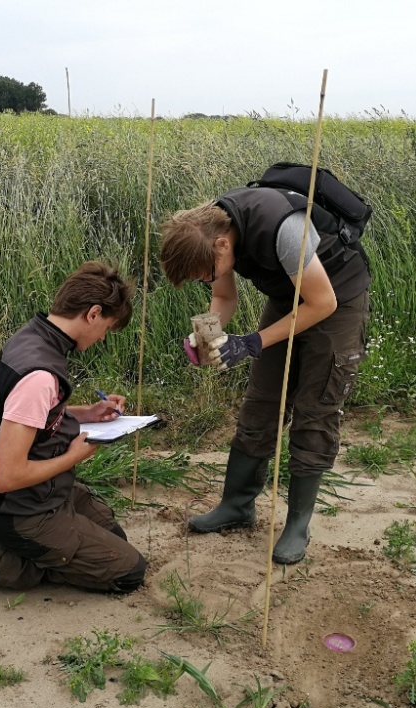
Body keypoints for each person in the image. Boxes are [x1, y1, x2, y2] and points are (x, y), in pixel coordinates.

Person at [159, 178, 370, 564]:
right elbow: (223, 297)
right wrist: (206, 334)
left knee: (315, 410)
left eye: (205, 273)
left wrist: (252, 343)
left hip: (335, 299)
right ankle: (237, 506)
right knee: (261, 402)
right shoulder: (211, 233)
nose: (206, 279)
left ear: (223, 245)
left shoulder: (283, 231)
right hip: (287, 296)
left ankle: (297, 525)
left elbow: (322, 303)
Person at [0, 261, 148, 598]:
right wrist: (74, 457)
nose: (102, 338)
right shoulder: (40, 375)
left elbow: (28, 415)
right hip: (22, 508)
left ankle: (19, 541)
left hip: (41, 494)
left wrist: (89, 413)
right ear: (93, 313)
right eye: (107, 328)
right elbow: (4, 477)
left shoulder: (33, 338)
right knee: (128, 573)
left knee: (116, 538)